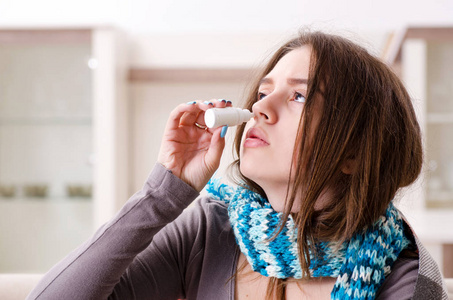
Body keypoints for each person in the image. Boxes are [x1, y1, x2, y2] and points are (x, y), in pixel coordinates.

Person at [27, 30, 448, 300]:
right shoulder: (212, 229)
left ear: (354, 151)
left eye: (299, 96)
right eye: (264, 91)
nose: (260, 107)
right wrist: (163, 194)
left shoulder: (405, 281)